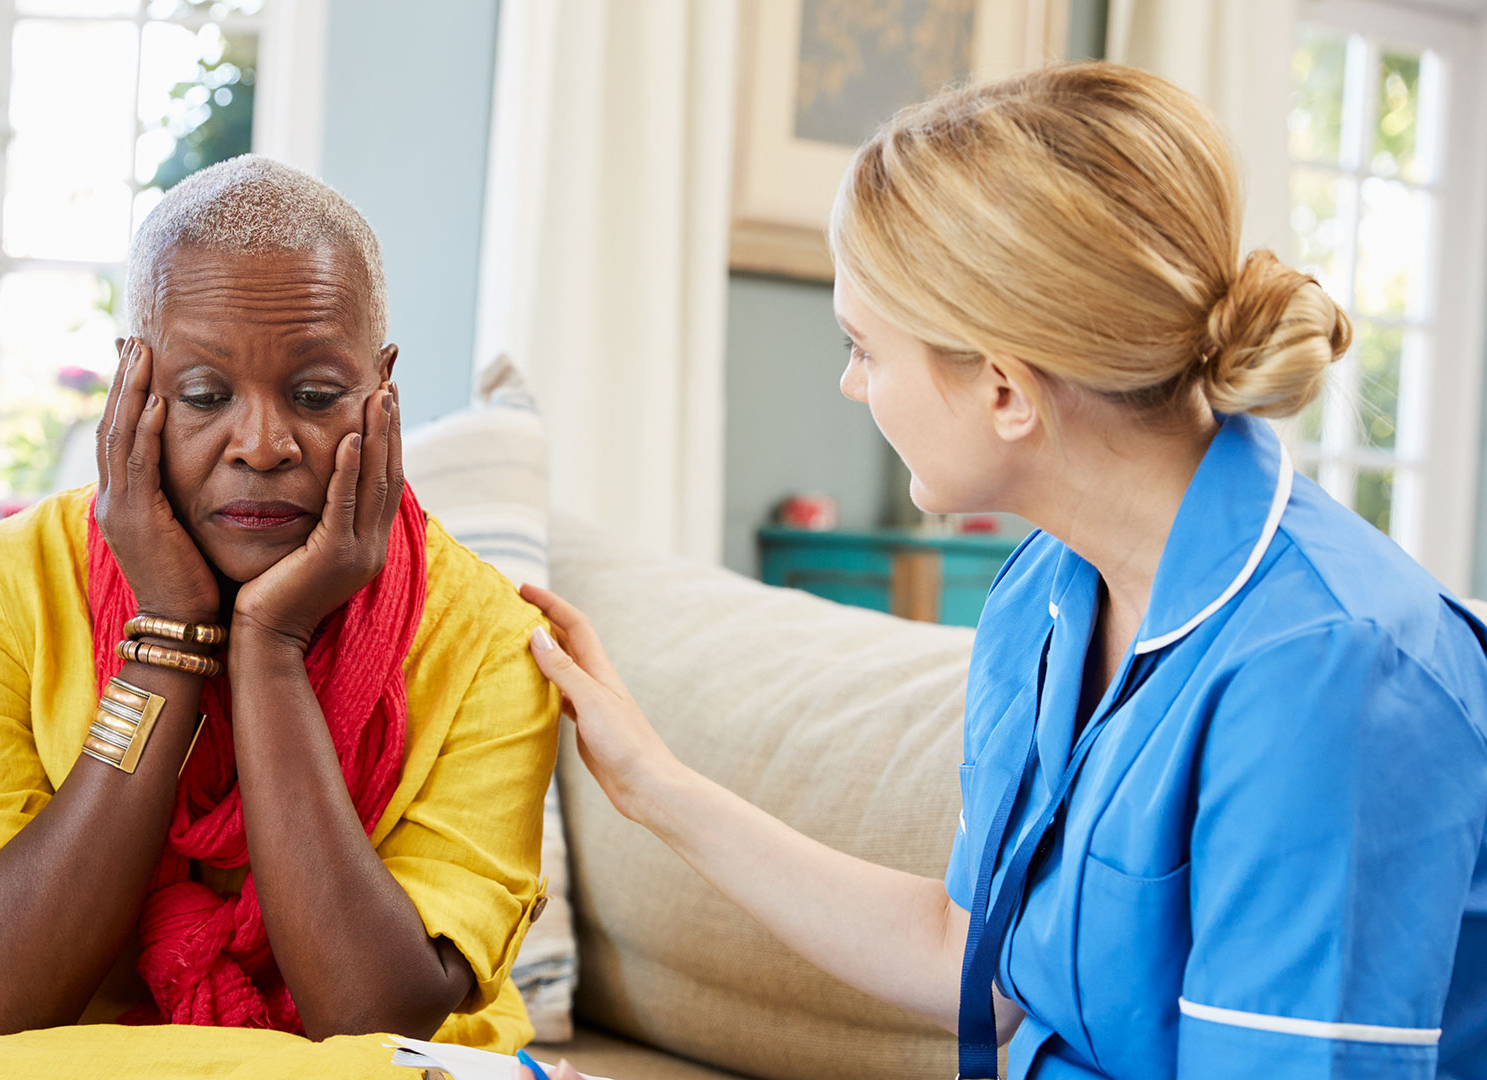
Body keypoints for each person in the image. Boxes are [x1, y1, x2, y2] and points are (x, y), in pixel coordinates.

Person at [520, 62, 1487, 1080]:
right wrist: (654, 786)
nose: (850, 385)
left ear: (1002, 390)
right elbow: (967, 957)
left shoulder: (1330, 669)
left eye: (862, 347)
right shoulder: (1044, 595)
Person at [0, 156, 560, 1079]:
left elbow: (370, 1017)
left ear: (382, 388)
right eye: (205, 396)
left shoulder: (488, 636)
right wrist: (167, 637)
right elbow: (3, 996)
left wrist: (271, 650)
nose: (262, 445)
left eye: (317, 396)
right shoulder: (0, 585)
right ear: (136, 386)